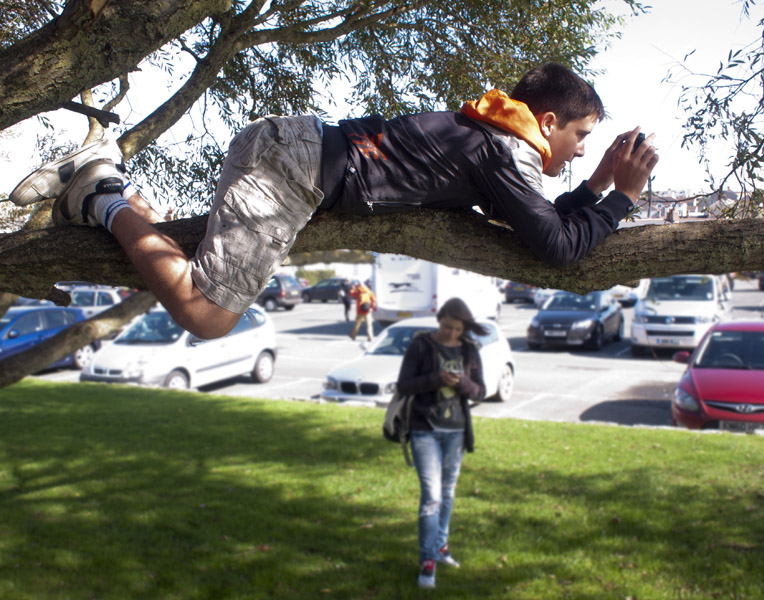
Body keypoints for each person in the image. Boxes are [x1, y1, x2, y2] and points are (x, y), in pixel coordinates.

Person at [8, 63, 659, 340]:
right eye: (581, 137)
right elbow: (557, 248)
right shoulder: (507, 150)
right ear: (547, 122)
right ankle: (104, 192)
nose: (581, 151)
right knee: (206, 316)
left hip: (293, 155)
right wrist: (624, 197)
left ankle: (107, 194)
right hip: (292, 171)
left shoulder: (493, 136)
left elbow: (537, 223)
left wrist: (599, 186)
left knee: (183, 268)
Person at [396, 297, 486, 589]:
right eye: (448, 327)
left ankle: (441, 546)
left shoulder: (470, 350)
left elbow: (480, 392)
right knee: (431, 496)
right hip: (425, 429)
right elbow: (403, 385)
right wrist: (436, 379)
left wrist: (462, 383)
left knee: (447, 493)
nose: (452, 334)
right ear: (439, 319)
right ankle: (427, 561)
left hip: (456, 431)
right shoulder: (420, 345)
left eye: (458, 329)